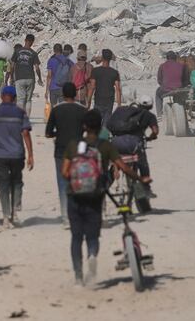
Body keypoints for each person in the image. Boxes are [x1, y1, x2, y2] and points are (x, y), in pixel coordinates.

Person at [62, 109, 150, 285]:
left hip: (75, 196)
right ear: (100, 126)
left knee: (76, 237)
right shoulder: (105, 146)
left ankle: (78, 277)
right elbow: (123, 167)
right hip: (95, 196)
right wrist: (140, 178)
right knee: (92, 236)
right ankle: (92, 255)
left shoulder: (73, 145)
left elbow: (64, 172)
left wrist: (76, 180)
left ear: (84, 126)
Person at [0, 86, 33, 228]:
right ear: (15, 98)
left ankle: (6, 217)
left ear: (1, 97)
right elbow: (26, 133)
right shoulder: (20, 112)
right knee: (16, 181)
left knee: (2, 185)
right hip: (17, 155)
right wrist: (30, 155)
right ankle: (15, 210)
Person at [45, 81, 88, 225]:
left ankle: (65, 216)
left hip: (61, 151)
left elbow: (48, 133)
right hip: (79, 150)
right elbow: (88, 129)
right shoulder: (83, 110)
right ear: (75, 94)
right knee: (78, 181)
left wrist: (58, 133)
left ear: (63, 94)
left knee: (62, 182)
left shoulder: (56, 109)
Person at [10, 34, 43, 116]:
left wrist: (11, 77)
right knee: (28, 100)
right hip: (30, 78)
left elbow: (12, 66)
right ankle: (27, 118)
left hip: (19, 78)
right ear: (32, 42)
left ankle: (20, 118)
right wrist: (40, 78)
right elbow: (37, 68)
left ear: (25, 40)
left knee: (20, 99)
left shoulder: (17, 51)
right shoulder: (34, 53)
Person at [87, 48, 121, 124]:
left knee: (96, 122)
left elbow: (92, 87)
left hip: (98, 100)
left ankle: (97, 131)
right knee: (106, 123)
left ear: (102, 58)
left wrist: (88, 101)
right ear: (110, 59)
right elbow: (118, 89)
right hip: (109, 101)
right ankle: (104, 132)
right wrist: (119, 105)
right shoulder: (114, 72)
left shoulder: (95, 71)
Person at [156, 50, 189, 115]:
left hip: (166, 89)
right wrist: (182, 85)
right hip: (179, 88)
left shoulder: (162, 66)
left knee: (157, 94)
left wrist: (164, 85)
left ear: (167, 58)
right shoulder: (182, 66)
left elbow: (159, 80)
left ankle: (159, 114)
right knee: (179, 94)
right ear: (176, 58)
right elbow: (186, 79)